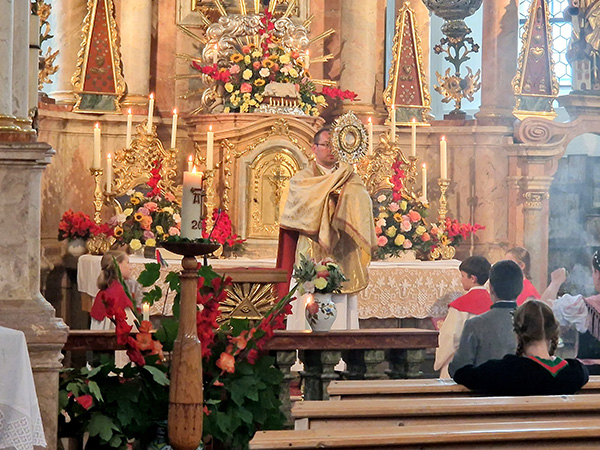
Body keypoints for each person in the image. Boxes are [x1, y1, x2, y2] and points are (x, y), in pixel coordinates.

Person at [276, 127, 377, 330]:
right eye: (326, 144)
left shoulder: (350, 178)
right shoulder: (301, 179)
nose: (331, 149)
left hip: (343, 250)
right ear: (314, 148)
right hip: (311, 247)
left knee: (340, 306)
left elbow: (363, 204)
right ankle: (301, 358)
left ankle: (341, 358)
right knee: (308, 300)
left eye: (335, 145)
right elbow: (294, 211)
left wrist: (344, 201)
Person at [453, 300, 589, 395]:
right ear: (553, 332)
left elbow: (462, 374)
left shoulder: (505, 370)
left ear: (518, 333)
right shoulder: (574, 372)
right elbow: (582, 372)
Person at [448, 260, 523, 377]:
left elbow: (459, 368)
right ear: (520, 288)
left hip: (484, 392)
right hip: (523, 393)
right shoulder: (532, 323)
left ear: (491, 288)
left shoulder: (475, 325)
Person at [434, 256, 492, 378]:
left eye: (463, 276)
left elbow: (450, 337)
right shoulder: (494, 303)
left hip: (461, 364)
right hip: (488, 363)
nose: (461, 280)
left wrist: (439, 360)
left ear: (473, 278)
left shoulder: (460, 305)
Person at [90, 250, 140, 330]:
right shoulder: (117, 291)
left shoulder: (106, 289)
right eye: (127, 263)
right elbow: (131, 327)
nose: (130, 267)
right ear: (118, 265)